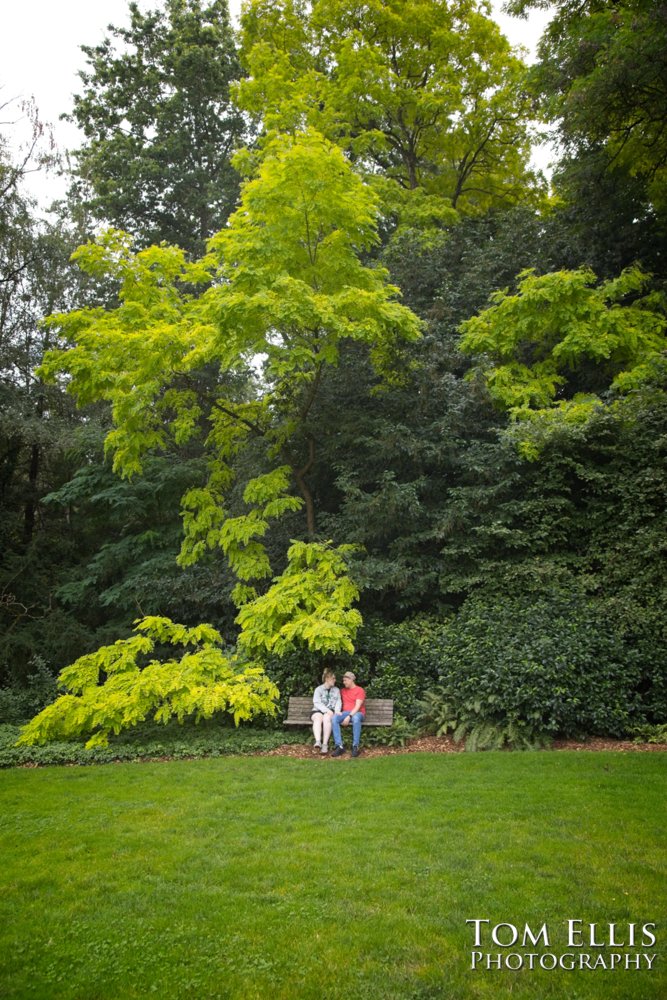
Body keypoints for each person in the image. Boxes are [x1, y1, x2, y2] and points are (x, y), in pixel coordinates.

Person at [331, 671, 366, 758]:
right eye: (343, 681)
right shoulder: (342, 691)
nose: (344, 682)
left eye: (345, 680)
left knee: (356, 719)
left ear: (351, 680)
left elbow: (358, 706)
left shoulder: (360, 690)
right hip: (345, 713)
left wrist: (349, 716)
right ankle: (339, 746)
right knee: (334, 718)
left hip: (358, 713)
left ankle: (355, 747)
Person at [311, 669, 341, 756]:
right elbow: (317, 702)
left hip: (330, 712)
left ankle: (325, 745)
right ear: (327, 679)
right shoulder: (318, 689)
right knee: (318, 718)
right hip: (317, 710)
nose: (335, 680)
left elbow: (338, 701)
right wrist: (326, 710)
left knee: (327, 718)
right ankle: (318, 741)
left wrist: (337, 711)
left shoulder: (336, 690)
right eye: (333, 678)